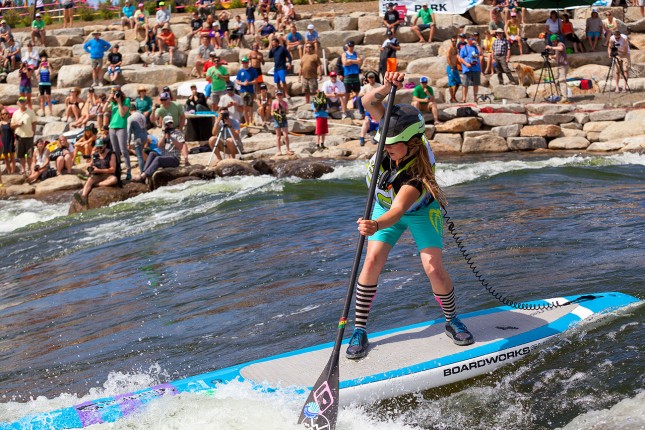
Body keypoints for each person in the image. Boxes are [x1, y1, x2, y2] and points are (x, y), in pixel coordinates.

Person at [345, 71, 474, 360]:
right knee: (372, 261)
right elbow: (368, 102)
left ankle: (452, 320)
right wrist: (387, 87)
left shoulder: (416, 174)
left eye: (391, 145)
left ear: (412, 141)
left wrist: (374, 225)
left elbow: (398, 211)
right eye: (384, 143)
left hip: (415, 212)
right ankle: (359, 329)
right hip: (382, 207)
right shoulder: (391, 139)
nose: (385, 149)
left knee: (432, 268)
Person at [132, 115, 189, 183]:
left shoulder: (178, 133)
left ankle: (143, 176)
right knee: (152, 153)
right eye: (167, 124)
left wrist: (171, 137)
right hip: (164, 156)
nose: (169, 125)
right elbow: (159, 146)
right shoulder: (161, 134)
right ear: (164, 124)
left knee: (158, 159)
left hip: (174, 158)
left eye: (170, 123)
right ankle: (143, 173)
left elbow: (180, 146)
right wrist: (164, 136)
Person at [74, 138, 120, 206]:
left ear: (105, 145)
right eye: (97, 147)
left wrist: (98, 170)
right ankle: (83, 197)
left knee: (114, 180)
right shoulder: (95, 154)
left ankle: (96, 184)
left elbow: (112, 169)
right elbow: (90, 164)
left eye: (100, 147)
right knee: (90, 180)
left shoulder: (111, 154)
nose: (99, 149)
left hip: (108, 175)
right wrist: (89, 169)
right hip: (97, 175)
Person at [107, 87, 132, 180]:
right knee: (115, 152)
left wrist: (119, 102)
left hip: (121, 127)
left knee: (124, 151)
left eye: (116, 92)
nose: (115, 94)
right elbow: (104, 110)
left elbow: (122, 114)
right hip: (112, 127)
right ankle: (118, 170)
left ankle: (129, 172)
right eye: (113, 92)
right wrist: (108, 100)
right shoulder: (112, 102)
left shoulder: (126, 101)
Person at [10, 97, 37, 175]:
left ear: (26, 103)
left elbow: (34, 123)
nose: (22, 103)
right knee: (21, 154)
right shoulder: (15, 113)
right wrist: (17, 124)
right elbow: (11, 125)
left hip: (29, 135)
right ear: (18, 103)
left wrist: (33, 133)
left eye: (23, 101)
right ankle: (22, 169)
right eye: (20, 101)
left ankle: (28, 168)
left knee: (29, 154)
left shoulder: (31, 112)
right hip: (19, 136)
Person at [235, 57, 258, 126]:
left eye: (246, 62)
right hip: (242, 90)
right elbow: (237, 81)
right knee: (244, 107)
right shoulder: (240, 71)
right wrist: (243, 83)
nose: (245, 63)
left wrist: (249, 83)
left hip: (250, 90)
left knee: (250, 106)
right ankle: (246, 122)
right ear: (242, 63)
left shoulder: (253, 70)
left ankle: (251, 121)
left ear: (248, 62)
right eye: (243, 62)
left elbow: (256, 81)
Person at [544, 34, 568, 99]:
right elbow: (556, 56)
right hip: (559, 65)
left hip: (563, 65)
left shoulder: (560, 44)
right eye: (552, 42)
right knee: (556, 80)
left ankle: (565, 98)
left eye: (554, 41)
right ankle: (560, 95)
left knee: (562, 81)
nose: (553, 43)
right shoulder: (556, 46)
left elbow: (561, 48)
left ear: (557, 40)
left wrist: (551, 47)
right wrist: (551, 56)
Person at [458, 36, 481, 103]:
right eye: (471, 39)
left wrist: (477, 44)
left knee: (476, 84)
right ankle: (464, 98)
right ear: (467, 40)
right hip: (467, 68)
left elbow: (480, 53)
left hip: (475, 68)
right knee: (465, 84)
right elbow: (461, 58)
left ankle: (475, 98)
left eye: (473, 39)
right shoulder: (464, 48)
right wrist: (466, 64)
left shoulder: (475, 47)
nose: (472, 40)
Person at [271, 90, 292, 155]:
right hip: (277, 120)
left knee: (286, 136)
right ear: (275, 96)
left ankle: (288, 149)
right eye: (278, 95)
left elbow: (287, 111)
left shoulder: (285, 103)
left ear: (282, 95)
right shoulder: (274, 103)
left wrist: (283, 111)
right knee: (278, 136)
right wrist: (276, 112)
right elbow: (271, 113)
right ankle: (279, 151)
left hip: (284, 120)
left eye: (280, 95)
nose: (279, 96)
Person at [127, 103, 148, 169]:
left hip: (138, 138)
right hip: (145, 136)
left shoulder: (130, 118)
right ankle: (145, 168)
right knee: (142, 153)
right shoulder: (142, 115)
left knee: (139, 156)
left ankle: (142, 172)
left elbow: (128, 132)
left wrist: (128, 143)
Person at [446, 36, 461, 103]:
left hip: (455, 67)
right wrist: (451, 66)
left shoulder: (456, 48)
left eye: (455, 41)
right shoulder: (450, 48)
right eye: (453, 41)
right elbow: (448, 58)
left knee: (457, 83)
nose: (454, 42)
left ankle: (453, 96)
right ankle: (452, 98)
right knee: (451, 83)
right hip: (451, 67)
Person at [1, 109, 15, 174]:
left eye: (6, 113)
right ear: (1, 115)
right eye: (3, 114)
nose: (5, 115)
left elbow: (15, 132)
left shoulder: (11, 122)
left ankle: (13, 170)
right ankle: (9, 171)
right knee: (6, 156)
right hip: (4, 140)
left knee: (12, 156)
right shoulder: (0, 123)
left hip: (11, 140)